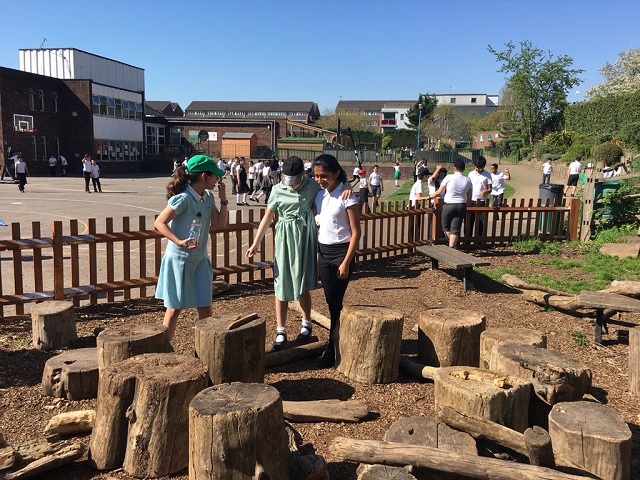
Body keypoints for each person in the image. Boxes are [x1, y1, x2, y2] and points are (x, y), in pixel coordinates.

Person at [245, 156, 351, 350]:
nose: (292, 184)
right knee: (281, 282)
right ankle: (281, 329)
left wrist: (346, 186)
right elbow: (267, 218)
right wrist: (255, 243)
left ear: (303, 174)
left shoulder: (312, 185)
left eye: (296, 179)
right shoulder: (277, 190)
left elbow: (334, 186)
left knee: (302, 281)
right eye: (289, 179)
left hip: (305, 237)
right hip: (285, 238)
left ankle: (306, 323)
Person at [154, 155, 228, 340]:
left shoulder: (208, 197)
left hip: (200, 259)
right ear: (204, 176)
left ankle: (207, 347)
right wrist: (178, 241)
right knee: (174, 309)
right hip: (180, 260)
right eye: (215, 176)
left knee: (205, 306)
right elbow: (159, 223)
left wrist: (224, 200)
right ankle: (165, 346)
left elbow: (219, 224)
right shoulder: (183, 199)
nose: (217, 179)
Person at [312, 154, 360, 367]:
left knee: (335, 303)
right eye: (316, 176)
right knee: (331, 302)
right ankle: (336, 342)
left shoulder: (347, 196)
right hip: (324, 253)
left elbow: (356, 232)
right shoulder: (320, 195)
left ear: (336, 173)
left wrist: (346, 262)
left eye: (324, 176)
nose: (320, 180)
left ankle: (332, 350)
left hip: (341, 252)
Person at [428, 158, 472, 248]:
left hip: (449, 205)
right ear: (463, 168)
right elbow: (469, 196)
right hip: (461, 205)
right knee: (455, 229)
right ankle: (452, 247)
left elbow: (439, 192)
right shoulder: (468, 180)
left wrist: (430, 196)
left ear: (454, 168)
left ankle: (451, 246)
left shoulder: (449, 177)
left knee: (445, 227)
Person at [467, 156, 492, 236]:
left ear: (483, 167)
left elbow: (490, 189)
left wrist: (485, 191)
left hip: (481, 201)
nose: (477, 169)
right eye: (476, 167)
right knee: (469, 221)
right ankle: (467, 239)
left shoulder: (487, 175)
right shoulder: (471, 174)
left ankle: (478, 240)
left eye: (479, 168)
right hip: (471, 200)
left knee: (480, 222)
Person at [408, 167, 430, 242]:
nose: (428, 177)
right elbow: (419, 197)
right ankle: (415, 244)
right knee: (416, 227)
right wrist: (428, 197)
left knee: (413, 226)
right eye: (427, 176)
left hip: (413, 206)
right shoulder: (419, 184)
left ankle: (412, 244)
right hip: (414, 206)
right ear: (424, 176)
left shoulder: (417, 183)